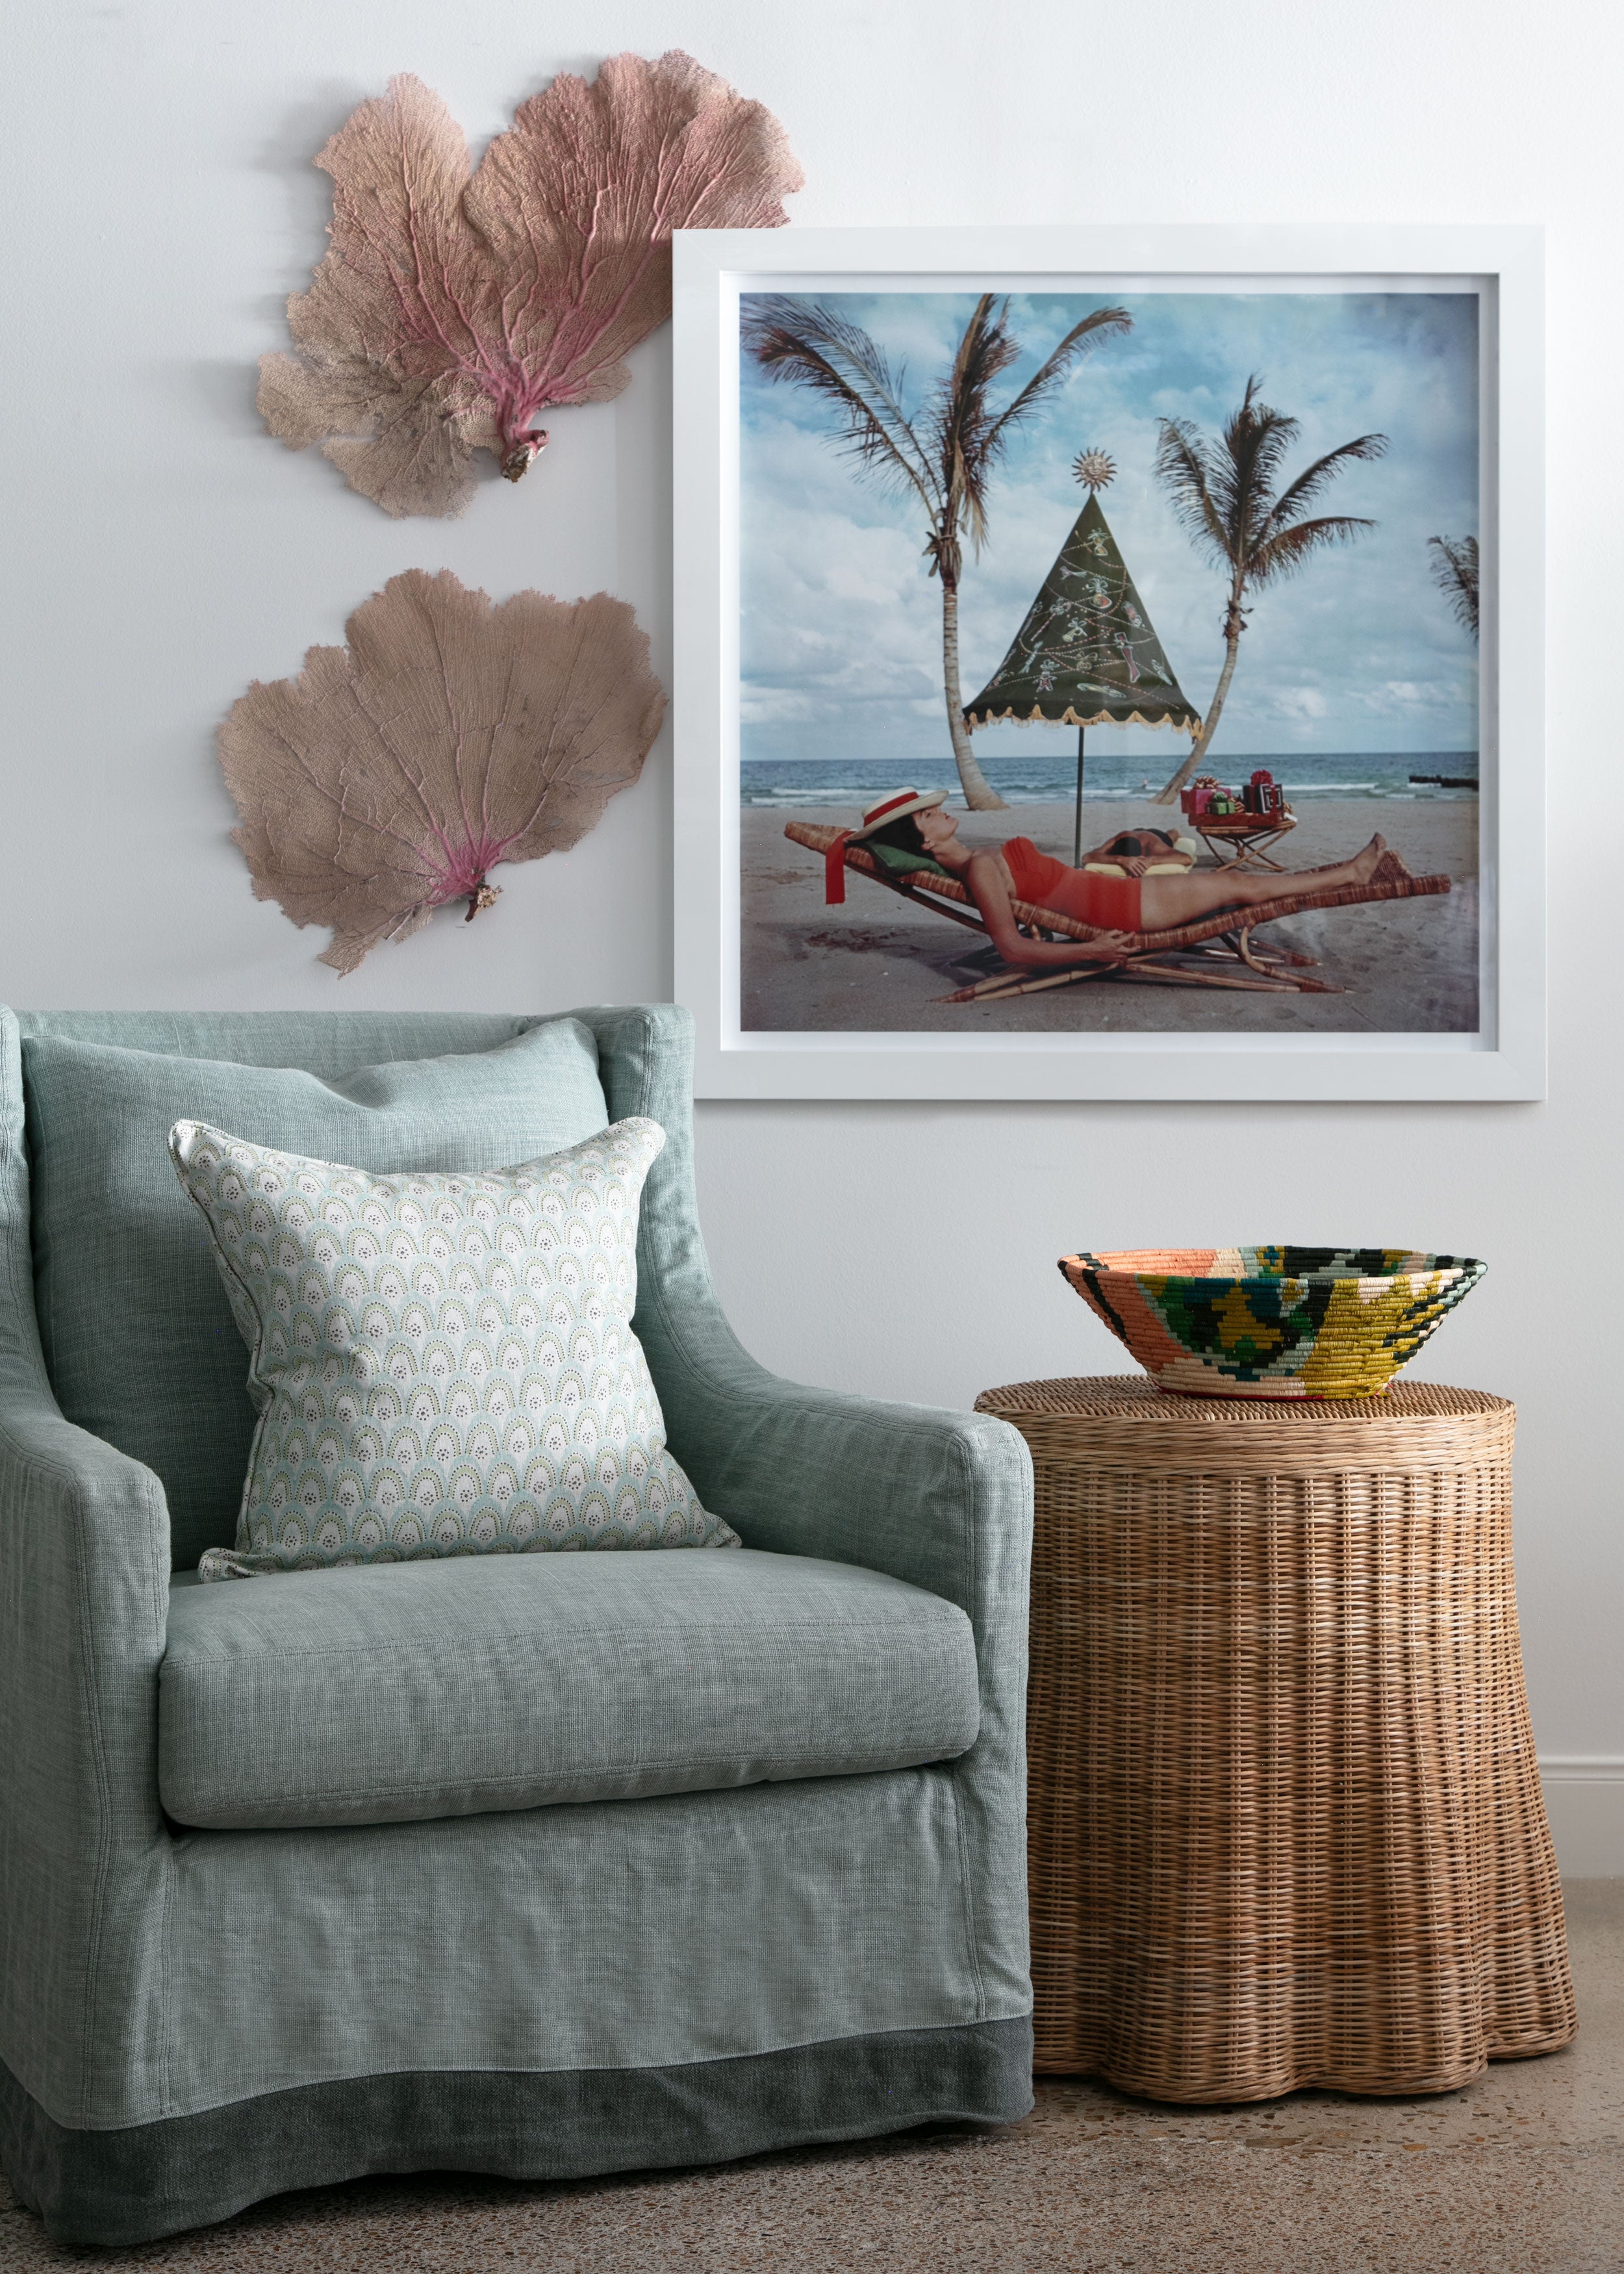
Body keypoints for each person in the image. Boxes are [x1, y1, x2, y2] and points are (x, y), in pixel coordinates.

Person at [841, 788, 1397, 975]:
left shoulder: (979, 858)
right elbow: (1011, 948)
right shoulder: (982, 869)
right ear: (926, 841)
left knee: (1245, 885)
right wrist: (1091, 950)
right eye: (928, 815)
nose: (939, 811)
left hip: (1119, 895)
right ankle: (1351, 874)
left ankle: (1347, 873)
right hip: (1123, 911)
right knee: (1245, 888)